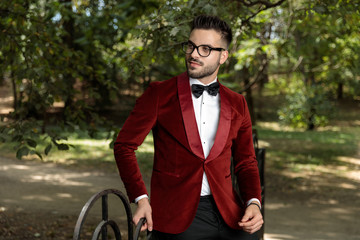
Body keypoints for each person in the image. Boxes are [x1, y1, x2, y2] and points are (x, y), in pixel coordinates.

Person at [114, 15, 263, 240]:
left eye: (205, 49)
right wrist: (141, 198)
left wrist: (253, 202)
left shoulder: (238, 103)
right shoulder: (159, 94)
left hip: (231, 216)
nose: (193, 54)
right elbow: (124, 146)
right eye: (191, 46)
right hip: (177, 218)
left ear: (223, 56)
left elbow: (246, 162)